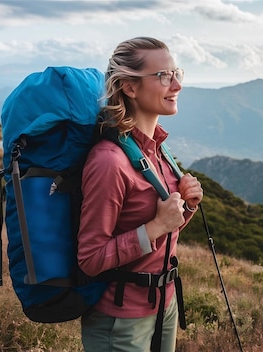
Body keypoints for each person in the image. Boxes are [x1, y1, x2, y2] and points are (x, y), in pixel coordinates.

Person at [77, 36, 203, 352]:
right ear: (129, 88)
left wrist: (185, 208)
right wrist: (157, 226)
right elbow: (90, 259)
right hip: (120, 322)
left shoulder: (159, 153)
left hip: (166, 305)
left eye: (177, 73)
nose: (177, 85)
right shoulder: (110, 161)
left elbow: (162, 231)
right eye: (163, 76)